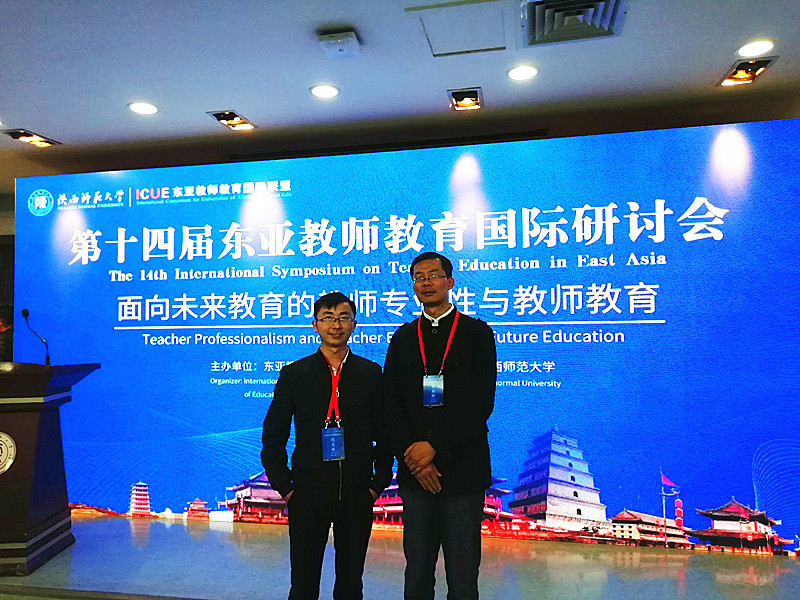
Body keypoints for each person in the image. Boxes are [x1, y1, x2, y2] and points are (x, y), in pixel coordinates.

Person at [261, 291, 392, 600]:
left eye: (344, 318)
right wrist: (286, 487)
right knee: (303, 584)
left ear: (354, 324)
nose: (336, 326)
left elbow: (386, 432)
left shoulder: (370, 373)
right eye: (328, 318)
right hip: (307, 493)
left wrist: (377, 483)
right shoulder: (295, 374)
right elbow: (273, 435)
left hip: (357, 493)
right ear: (315, 325)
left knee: (350, 584)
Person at [383, 252, 496, 600]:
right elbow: (391, 405)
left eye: (433, 275)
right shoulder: (403, 338)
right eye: (419, 277)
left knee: (462, 576)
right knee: (417, 572)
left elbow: (480, 404)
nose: (426, 282)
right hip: (416, 476)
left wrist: (433, 447)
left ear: (450, 282)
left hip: (463, 471)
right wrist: (415, 458)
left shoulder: (477, 333)